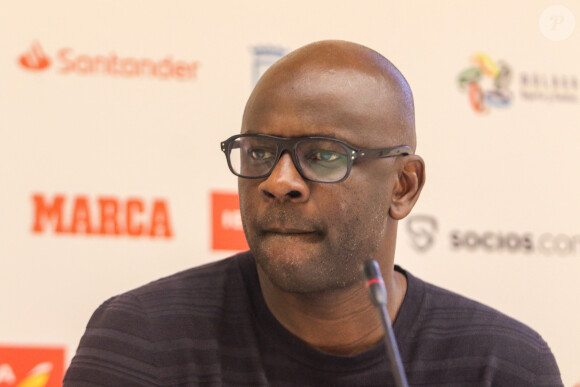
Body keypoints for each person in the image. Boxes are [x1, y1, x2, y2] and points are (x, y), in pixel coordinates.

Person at [63, 40, 562, 386]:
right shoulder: (143, 338)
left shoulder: (502, 366)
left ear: (403, 186)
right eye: (259, 153)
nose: (279, 182)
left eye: (324, 155)